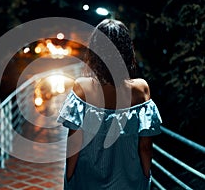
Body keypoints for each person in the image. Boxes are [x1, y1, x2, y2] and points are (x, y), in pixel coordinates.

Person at [57, 19, 162, 190]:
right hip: (128, 179)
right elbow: (145, 146)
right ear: (127, 51)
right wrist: (145, 177)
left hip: (88, 178)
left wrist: (69, 179)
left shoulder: (82, 87)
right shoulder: (141, 89)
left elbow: (74, 142)